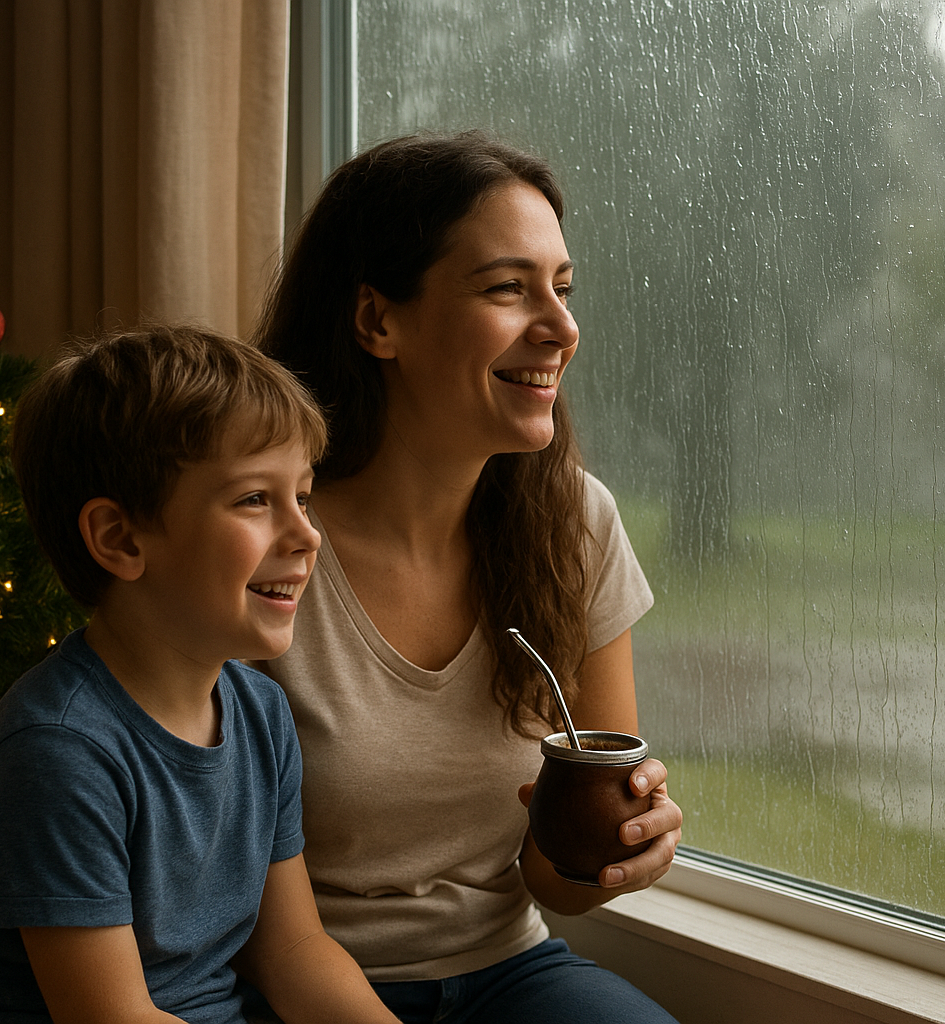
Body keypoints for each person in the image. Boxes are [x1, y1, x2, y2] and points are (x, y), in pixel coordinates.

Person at [248, 131, 684, 1023]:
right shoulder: (262, 545)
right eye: (506, 289)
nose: (561, 328)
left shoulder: (577, 523)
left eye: (562, 289)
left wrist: (612, 852)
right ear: (377, 321)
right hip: (282, 987)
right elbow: (242, 913)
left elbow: (556, 884)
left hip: (506, 973)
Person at [0, 326, 400, 1024]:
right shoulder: (59, 754)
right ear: (120, 539)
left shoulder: (260, 713)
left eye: (303, 495)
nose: (306, 533)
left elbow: (294, 953)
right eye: (255, 499)